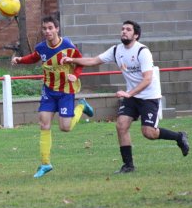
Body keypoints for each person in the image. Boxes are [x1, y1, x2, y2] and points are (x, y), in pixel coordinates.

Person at [61, 20, 189, 173]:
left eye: (128, 29)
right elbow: (93, 60)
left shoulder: (142, 51)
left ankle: (179, 136)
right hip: (132, 96)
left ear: (136, 35)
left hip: (149, 96)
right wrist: (72, 60)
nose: (124, 31)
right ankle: (128, 166)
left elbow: (147, 79)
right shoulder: (116, 50)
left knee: (149, 133)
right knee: (121, 125)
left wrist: (129, 93)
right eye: (122, 29)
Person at [11, 15, 94, 178]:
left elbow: (80, 62)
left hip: (66, 91)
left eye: (50, 28)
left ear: (57, 29)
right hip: (49, 90)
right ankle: (45, 163)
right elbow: (34, 57)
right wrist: (20, 60)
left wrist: (75, 76)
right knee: (44, 123)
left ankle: (82, 105)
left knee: (65, 127)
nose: (47, 31)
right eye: (44, 28)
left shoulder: (68, 46)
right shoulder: (41, 47)